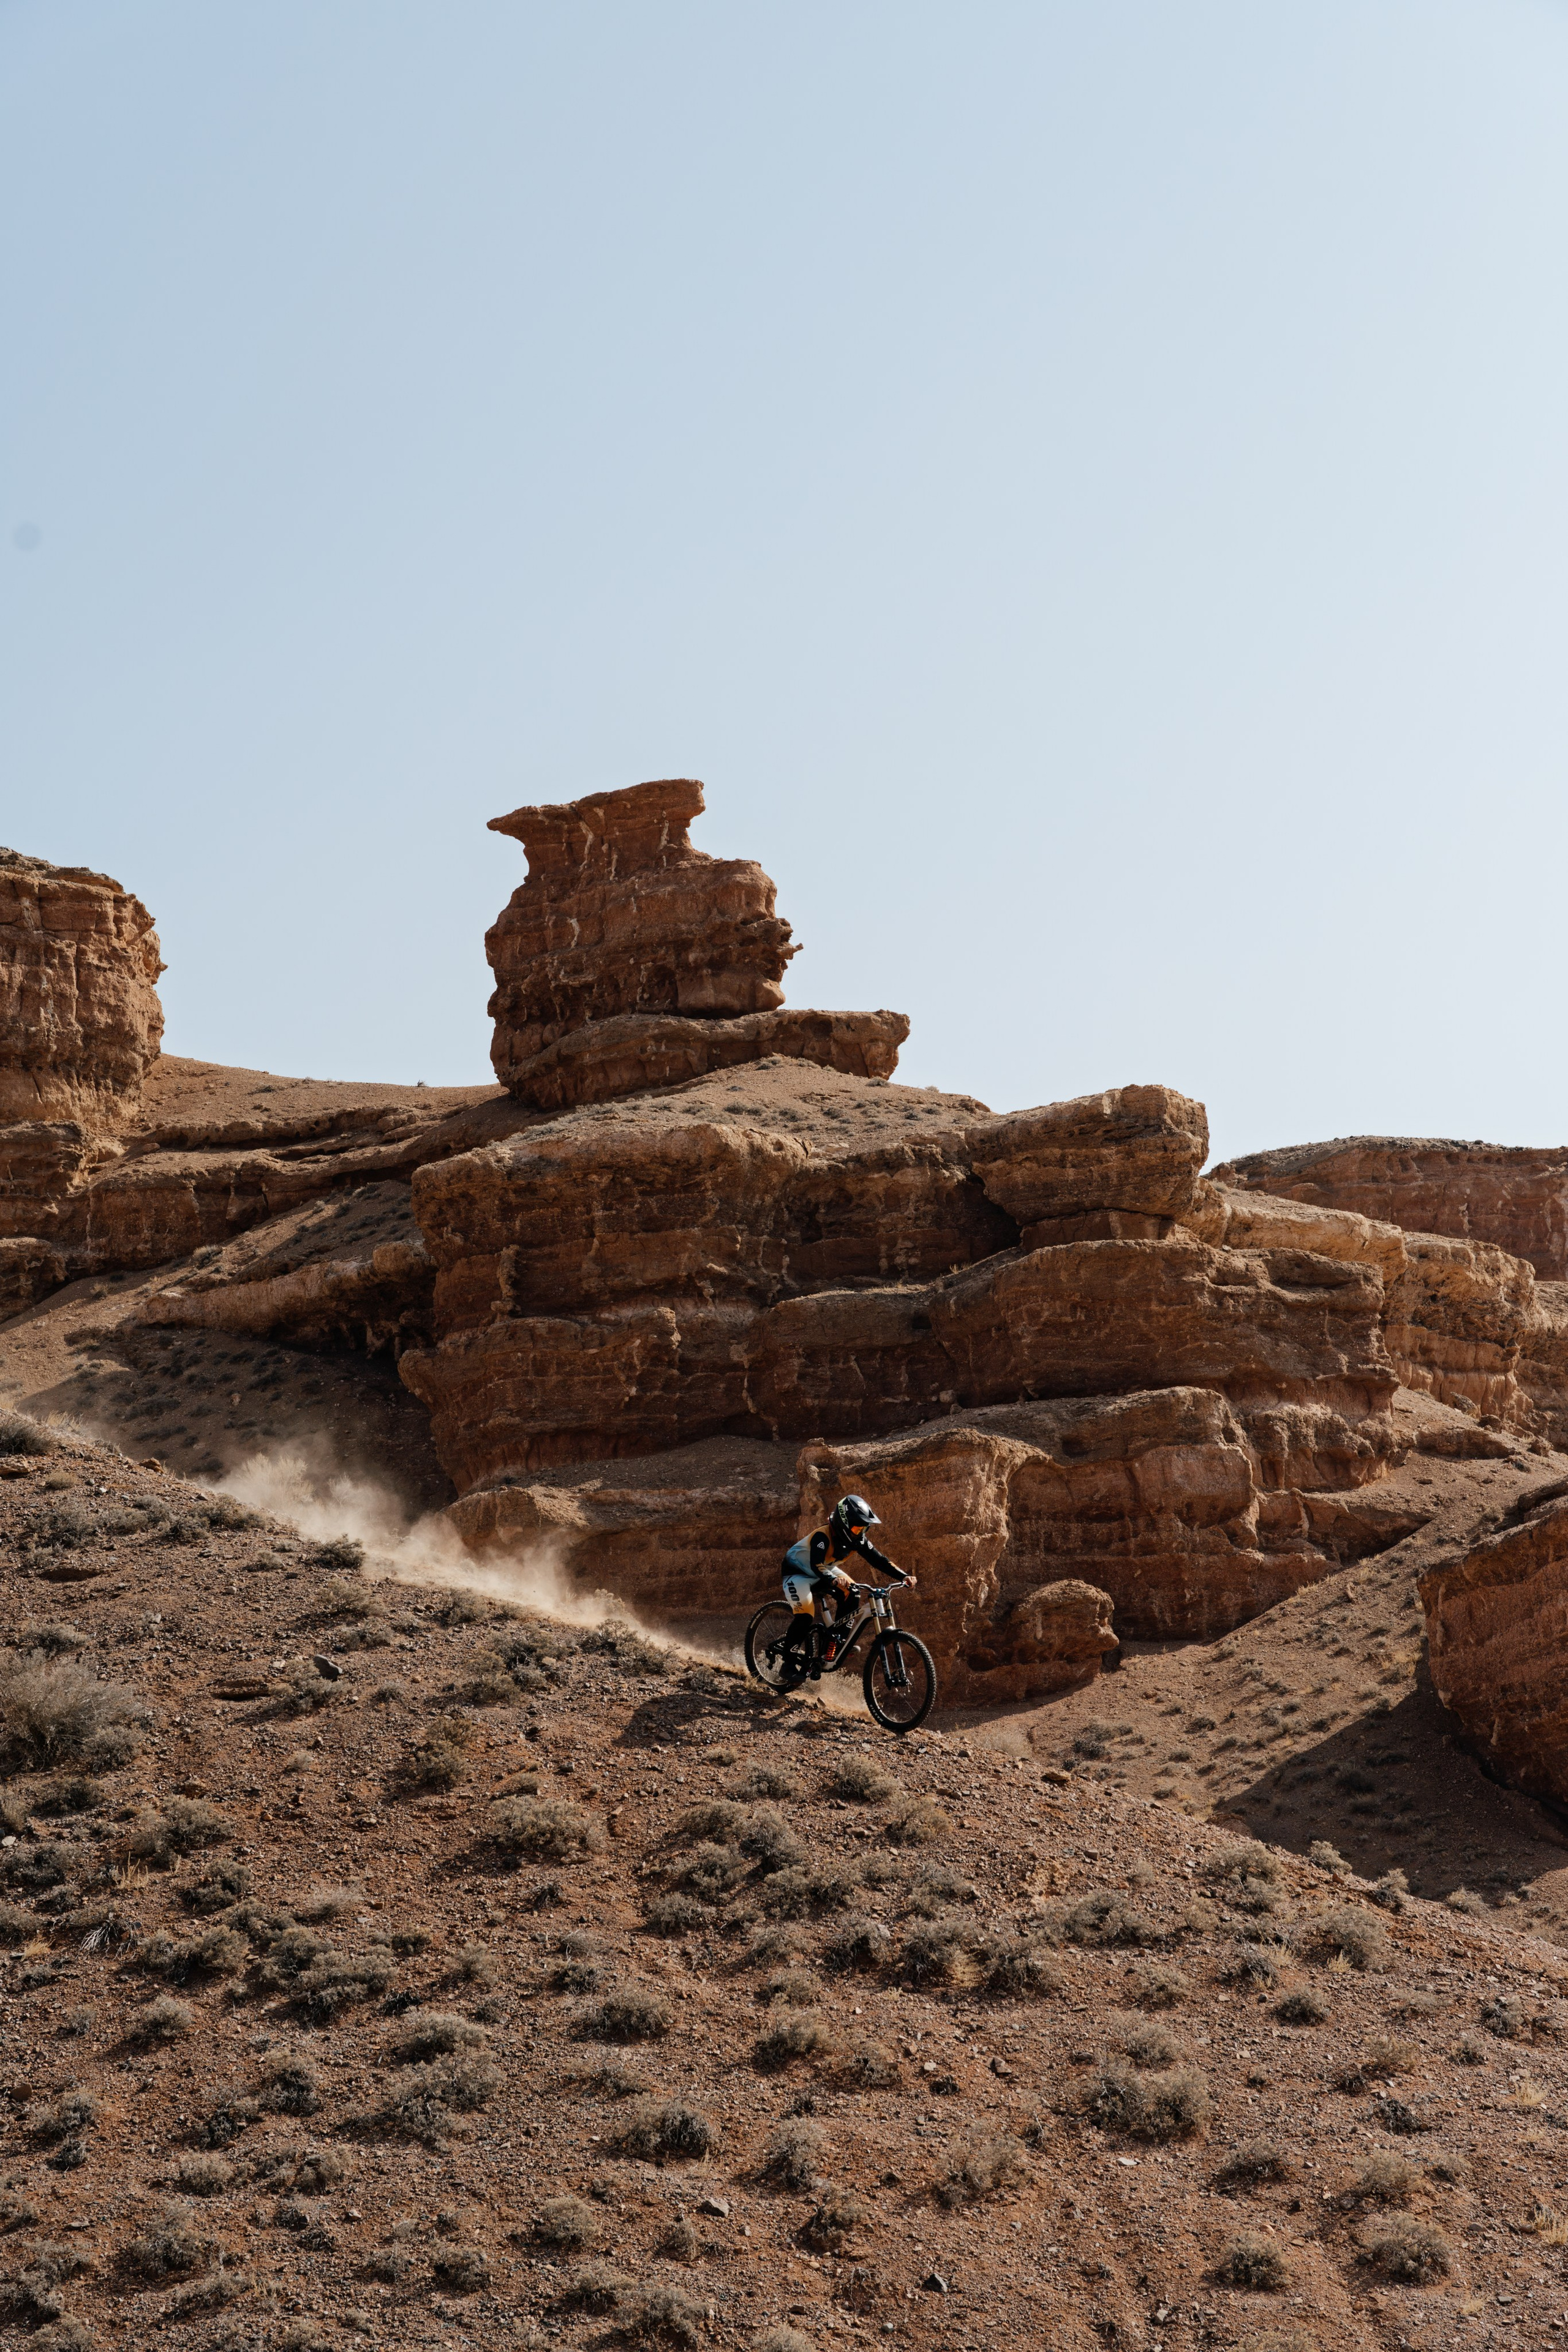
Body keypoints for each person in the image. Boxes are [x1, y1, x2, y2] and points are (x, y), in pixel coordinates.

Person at [779, 1493, 914, 1679]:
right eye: (859, 1528)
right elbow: (816, 1565)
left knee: (853, 1593)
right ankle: (787, 1664)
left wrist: (904, 1576)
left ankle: (837, 1643)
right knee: (805, 1615)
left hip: (824, 1569)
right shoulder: (822, 1536)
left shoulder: (857, 1540)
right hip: (797, 1573)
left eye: (865, 1528)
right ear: (844, 1524)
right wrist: (833, 1579)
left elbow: (880, 1561)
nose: (862, 1533)